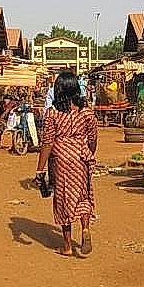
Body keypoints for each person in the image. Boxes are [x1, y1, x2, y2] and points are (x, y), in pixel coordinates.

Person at [35, 70, 98, 257]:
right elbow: (93, 139)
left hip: (60, 159)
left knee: (63, 199)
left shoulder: (52, 114)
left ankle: (68, 246)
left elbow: (47, 142)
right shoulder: (87, 112)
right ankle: (85, 228)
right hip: (81, 157)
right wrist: (88, 154)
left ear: (58, 90)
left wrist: (40, 169)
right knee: (83, 195)